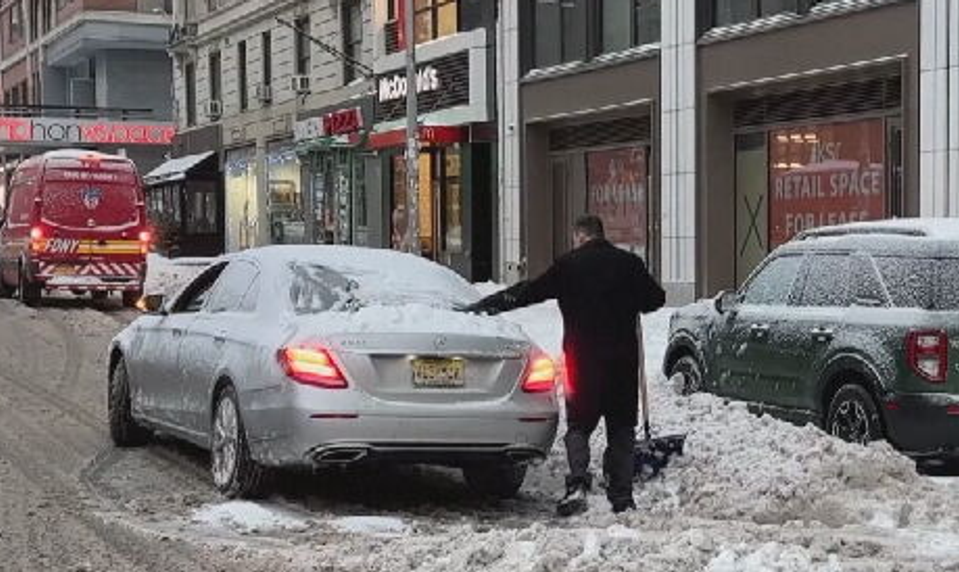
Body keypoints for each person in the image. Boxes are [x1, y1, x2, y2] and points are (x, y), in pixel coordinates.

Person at [463, 215, 665, 516]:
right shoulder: (628, 264)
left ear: (580, 237)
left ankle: (578, 484)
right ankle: (622, 497)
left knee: (579, 425)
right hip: (622, 362)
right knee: (622, 426)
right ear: (601, 234)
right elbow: (656, 299)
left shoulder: (569, 265)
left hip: (582, 360)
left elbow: (529, 292)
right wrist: (632, 299)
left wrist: (484, 307)